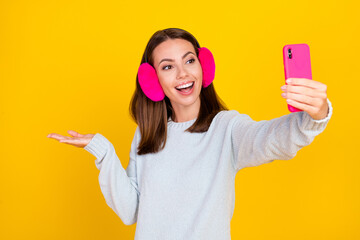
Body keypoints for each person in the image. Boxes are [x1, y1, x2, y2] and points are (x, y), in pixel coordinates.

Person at [47, 28, 333, 240]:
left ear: (204, 66)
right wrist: (103, 151)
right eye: (168, 67)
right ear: (152, 80)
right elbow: (130, 211)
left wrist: (314, 115)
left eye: (189, 61)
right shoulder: (146, 136)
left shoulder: (226, 128)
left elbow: (271, 140)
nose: (183, 74)